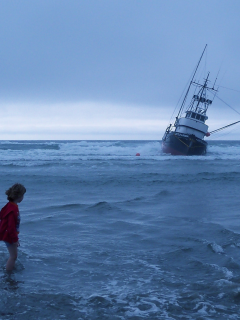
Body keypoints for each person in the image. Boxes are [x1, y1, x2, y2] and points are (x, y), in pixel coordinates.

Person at [0, 183, 26, 271]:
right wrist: (15, 239)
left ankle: (9, 270)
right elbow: (11, 227)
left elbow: (1, 215)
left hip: (6, 233)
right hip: (9, 235)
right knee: (13, 256)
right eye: (23, 195)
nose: (23, 197)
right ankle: (8, 276)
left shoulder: (10, 205)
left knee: (13, 256)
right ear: (18, 196)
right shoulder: (13, 209)